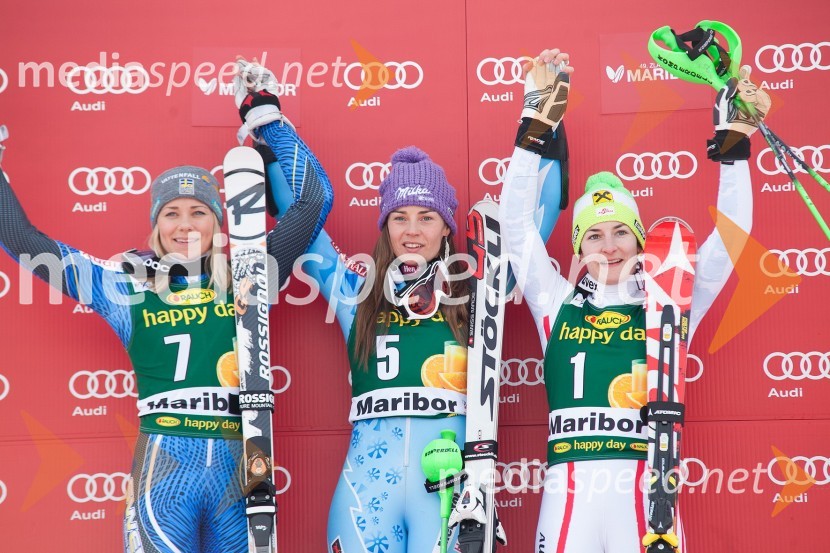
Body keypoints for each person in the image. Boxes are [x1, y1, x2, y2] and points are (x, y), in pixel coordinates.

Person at [0, 63, 333, 552]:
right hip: (164, 474)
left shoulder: (247, 275)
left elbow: (313, 199)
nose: (185, 224)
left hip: (239, 474)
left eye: (199, 210)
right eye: (171, 213)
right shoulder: (123, 286)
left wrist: (266, 115)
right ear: (155, 226)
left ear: (218, 221)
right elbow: (24, 241)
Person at [499, 49, 769, 553]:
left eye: (621, 232)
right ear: (577, 247)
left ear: (641, 242)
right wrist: (534, 125)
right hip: (569, 493)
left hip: (647, 496)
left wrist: (733, 150)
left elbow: (733, 237)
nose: (608, 246)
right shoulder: (555, 301)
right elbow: (514, 227)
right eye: (594, 236)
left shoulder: (669, 300)